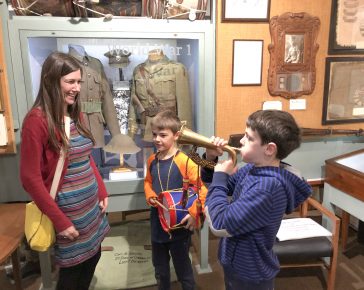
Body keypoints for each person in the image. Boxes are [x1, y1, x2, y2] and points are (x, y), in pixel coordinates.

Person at [20, 52, 110, 290]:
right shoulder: (36, 121)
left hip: (90, 208)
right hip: (69, 213)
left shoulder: (74, 113)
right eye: (70, 82)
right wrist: (60, 221)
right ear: (51, 81)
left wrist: (101, 191)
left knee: (94, 257)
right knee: (72, 275)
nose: (77, 88)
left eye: (79, 82)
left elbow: (84, 157)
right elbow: (29, 179)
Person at [202, 110, 312, 290]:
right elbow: (217, 186)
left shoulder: (267, 188)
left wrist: (220, 177)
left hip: (249, 271)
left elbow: (220, 223)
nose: (241, 141)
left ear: (269, 149)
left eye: (249, 137)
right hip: (237, 262)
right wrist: (210, 158)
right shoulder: (252, 169)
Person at [144, 110, 207, 290]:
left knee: (183, 270)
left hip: (179, 227)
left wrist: (194, 213)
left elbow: (202, 189)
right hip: (157, 221)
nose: (157, 139)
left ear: (176, 135)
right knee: (160, 269)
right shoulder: (151, 160)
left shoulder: (186, 162)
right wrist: (150, 195)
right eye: (155, 134)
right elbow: (148, 182)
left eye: (163, 135)